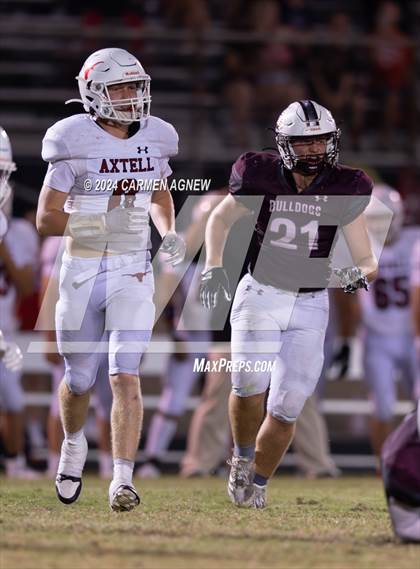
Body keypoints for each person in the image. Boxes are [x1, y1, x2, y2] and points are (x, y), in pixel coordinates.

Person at [199, 100, 378, 508]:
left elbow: (368, 259)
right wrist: (213, 265)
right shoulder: (259, 174)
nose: (314, 150)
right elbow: (219, 219)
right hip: (260, 293)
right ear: (284, 144)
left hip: (311, 303)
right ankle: (242, 458)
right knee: (249, 387)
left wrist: (357, 274)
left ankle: (258, 484)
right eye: (304, 142)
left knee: (287, 406)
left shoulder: (346, 186)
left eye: (320, 141)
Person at [36, 48, 185, 511]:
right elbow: (46, 218)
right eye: (119, 88)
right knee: (79, 379)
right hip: (81, 270)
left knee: (125, 373)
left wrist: (169, 232)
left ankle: (123, 479)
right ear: (94, 93)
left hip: (132, 268)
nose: (130, 96)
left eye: (134, 86)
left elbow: (159, 194)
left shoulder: (157, 136)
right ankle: (73, 442)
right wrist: (100, 224)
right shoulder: (71, 139)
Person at [358, 185, 419, 467]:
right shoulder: (358, 247)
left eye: (387, 217)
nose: (383, 225)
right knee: (382, 406)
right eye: (376, 219)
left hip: (412, 336)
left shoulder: (415, 241)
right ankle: (383, 468)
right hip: (377, 338)